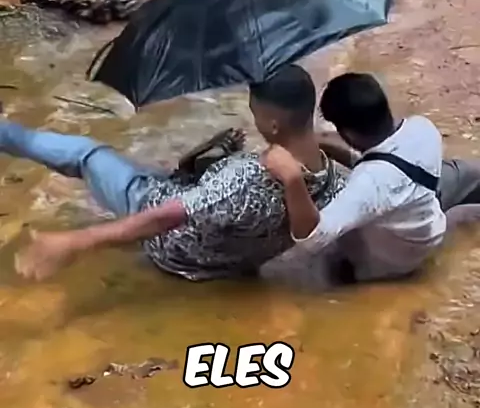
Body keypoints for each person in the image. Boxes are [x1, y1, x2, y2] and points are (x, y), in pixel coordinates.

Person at [9, 65, 347, 282]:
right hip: (228, 260)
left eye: (255, 112)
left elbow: (166, 216)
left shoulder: (244, 179)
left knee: (87, 154)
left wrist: (76, 241)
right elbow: (307, 226)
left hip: (173, 245)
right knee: (182, 170)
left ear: (272, 125)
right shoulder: (335, 183)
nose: (254, 119)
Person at [263, 72, 480, 283]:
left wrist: (291, 176)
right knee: (464, 173)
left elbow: (312, 237)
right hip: (425, 214)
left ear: (348, 134)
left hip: (394, 261)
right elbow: (385, 166)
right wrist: (321, 142)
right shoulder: (422, 128)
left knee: (309, 257)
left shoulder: (368, 185)